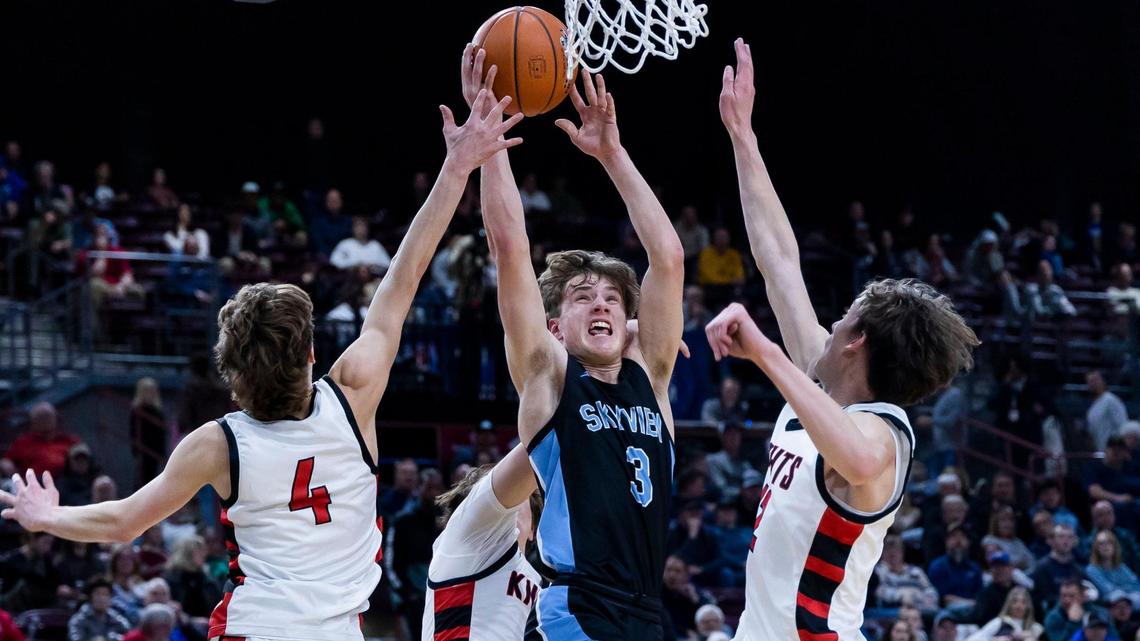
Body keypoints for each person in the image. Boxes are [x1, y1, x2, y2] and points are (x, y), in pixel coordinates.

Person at [0, 91, 523, 641]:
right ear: (311, 354)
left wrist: (48, 518)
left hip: (253, 627)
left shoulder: (216, 444)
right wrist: (458, 164)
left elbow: (124, 521)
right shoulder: (353, 394)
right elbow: (406, 272)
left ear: (233, 377)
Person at [709, 40, 979, 641]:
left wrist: (767, 354)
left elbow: (854, 457)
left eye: (843, 320)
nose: (828, 327)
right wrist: (743, 137)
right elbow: (779, 260)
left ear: (856, 341)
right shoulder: (821, 386)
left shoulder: (886, 433)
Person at [470, 43, 685, 641]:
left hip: (646, 613)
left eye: (614, 299)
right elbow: (509, 247)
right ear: (556, 327)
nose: (602, 304)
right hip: (577, 608)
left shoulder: (653, 378)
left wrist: (613, 155)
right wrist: (489, 150)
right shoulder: (549, 377)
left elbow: (666, 258)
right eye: (583, 296)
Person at [420, 446, 543, 641]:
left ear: (534, 529)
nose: (509, 511)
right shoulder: (467, 539)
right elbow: (537, 443)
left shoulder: (541, 583)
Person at [2, 402, 81, 476]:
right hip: (36, 484)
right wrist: (6, 464)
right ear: (33, 421)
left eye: (47, 416)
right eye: (40, 417)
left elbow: (85, 459)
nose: (44, 421)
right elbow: (6, 460)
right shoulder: (23, 443)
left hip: (68, 481)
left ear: (56, 418)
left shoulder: (70, 440)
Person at [874, 535, 940, 613]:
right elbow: (879, 592)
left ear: (902, 553)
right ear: (882, 553)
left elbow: (930, 589)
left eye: (896, 549)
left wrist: (928, 599)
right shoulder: (879, 571)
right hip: (896, 610)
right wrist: (900, 596)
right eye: (888, 549)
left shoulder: (916, 571)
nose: (892, 553)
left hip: (922, 607)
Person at [1085, 438, 1140, 530]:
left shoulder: (1131, 466)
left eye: (1120, 449)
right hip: (1110, 503)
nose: (1116, 453)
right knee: (1121, 508)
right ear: (1106, 450)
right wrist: (1118, 498)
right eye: (1113, 449)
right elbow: (1094, 491)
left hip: (1134, 502)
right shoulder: (1094, 467)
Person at [1032, 524, 1086, 613]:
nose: (1066, 541)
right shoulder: (1042, 567)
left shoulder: (1077, 569)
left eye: (1070, 537)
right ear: (1051, 541)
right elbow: (1045, 598)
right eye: (1061, 537)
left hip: (1077, 610)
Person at [929, 526, 985, 611]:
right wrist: (970, 603)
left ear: (969, 542)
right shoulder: (938, 566)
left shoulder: (975, 568)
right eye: (953, 536)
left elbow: (980, 596)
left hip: (973, 611)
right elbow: (944, 599)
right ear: (946, 541)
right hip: (946, 611)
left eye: (962, 536)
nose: (958, 540)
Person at [1043, 580, 1120, 641]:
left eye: (1071, 596)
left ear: (1083, 596)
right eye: (1063, 596)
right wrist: (1073, 623)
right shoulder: (1053, 618)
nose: (1067, 600)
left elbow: (1114, 637)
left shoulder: (1101, 613)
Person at [1079, 502, 1140, 575]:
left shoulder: (1125, 535)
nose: (1106, 518)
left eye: (1109, 513)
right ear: (1094, 520)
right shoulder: (1089, 542)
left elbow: (1137, 556)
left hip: (1129, 576)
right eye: (1101, 515)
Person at [965, 586, 1043, 641]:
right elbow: (975, 639)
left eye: (1023, 602)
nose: (1019, 606)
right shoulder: (1000, 622)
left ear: (1028, 605)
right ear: (1009, 604)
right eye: (1015, 601)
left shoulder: (1036, 628)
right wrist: (995, 639)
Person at [1086, 532, 1140, 609]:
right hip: (1108, 602)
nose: (1106, 546)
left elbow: (1135, 584)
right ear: (1096, 549)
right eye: (1102, 544)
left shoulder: (1121, 567)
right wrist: (1125, 589)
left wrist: (1123, 590)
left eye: (1109, 543)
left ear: (1115, 547)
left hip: (1128, 596)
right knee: (1118, 596)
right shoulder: (1091, 569)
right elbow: (1107, 589)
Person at [68, 577, 133, 641]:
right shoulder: (78, 620)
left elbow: (130, 634)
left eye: (105, 594)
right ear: (90, 597)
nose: (102, 598)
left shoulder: (114, 617)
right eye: (98, 594)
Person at [129, 377, 167, 487]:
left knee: (153, 478)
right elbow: (133, 432)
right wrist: (135, 450)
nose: (149, 394)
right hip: (143, 450)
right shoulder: (137, 410)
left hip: (154, 450)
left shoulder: (158, 412)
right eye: (146, 391)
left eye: (152, 391)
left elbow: (161, 433)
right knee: (141, 479)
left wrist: (162, 452)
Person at [705, 420, 756, 500]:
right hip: (723, 504)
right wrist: (742, 492)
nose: (733, 438)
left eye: (736, 434)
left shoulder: (744, 463)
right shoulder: (713, 460)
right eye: (729, 434)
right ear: (722, 437)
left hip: (744, 503)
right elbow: (721, 489)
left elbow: (754, 480)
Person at [982, 505, 1036, 572]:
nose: (1007, 524)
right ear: (995, 523)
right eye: (1003, 520)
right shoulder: (990, 541)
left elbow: (1031, 561)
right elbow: (999, 565)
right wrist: (1021, 563)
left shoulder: (1017, 541)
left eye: (1011, 520)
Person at [1086, 372, 1128, 453]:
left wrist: (1118, 449)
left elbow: (1123, 425)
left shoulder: (1111, 400)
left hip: (1115, 453)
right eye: (1089, 381)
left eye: (1095, 380)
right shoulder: (1092, 408)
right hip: (1100, 452)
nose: (1092, 383)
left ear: (1103, 381)